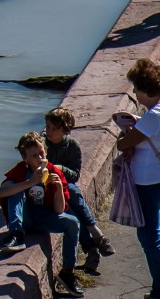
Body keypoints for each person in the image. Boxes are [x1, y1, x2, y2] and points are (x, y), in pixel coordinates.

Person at [113, 58, 160, 299]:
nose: (135, 94)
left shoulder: (152, 118)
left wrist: (127, 133)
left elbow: (123, 145)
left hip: (148, 182)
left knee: (149, 236)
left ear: (144, 90)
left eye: (136, 90)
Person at [0, 131, 83, 299]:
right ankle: (16, 234)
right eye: (34, 155)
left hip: (43, 218)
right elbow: (1, 192)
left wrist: (58, 189)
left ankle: (67, 273)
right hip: (25, 217)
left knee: (72, 222)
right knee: (15, 190)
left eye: (42, 153)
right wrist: (29, 183)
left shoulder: (54, 172)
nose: (40, 158)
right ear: (25, 158)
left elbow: (59, 210)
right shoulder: (22, 170)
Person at [43, 107, 113, 274]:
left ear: (65, 130)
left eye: (54, 129)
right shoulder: (42, 143)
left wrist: (61, 169)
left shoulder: (72, 146)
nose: (49, 131)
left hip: (65, 184)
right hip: (46, 186)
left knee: (73, 205)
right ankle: (96, 237)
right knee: (73, 197)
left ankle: (91, 248)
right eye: (47, 127)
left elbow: (74, 175)